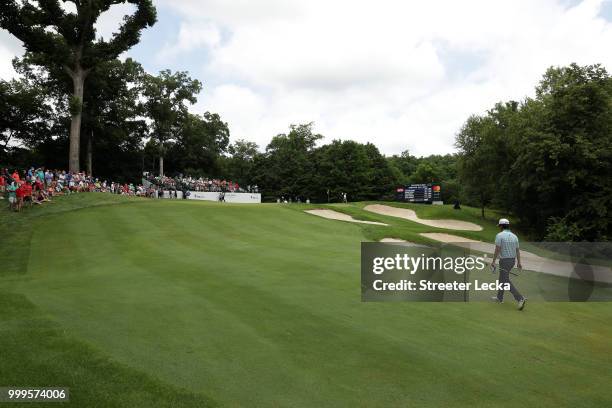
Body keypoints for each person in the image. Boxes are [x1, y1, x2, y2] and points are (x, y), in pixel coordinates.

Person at [490, 218, 526, 310]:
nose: (499, 228)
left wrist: (493, 261)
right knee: (502, 279)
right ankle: (499, 298)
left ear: (501, 226)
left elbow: (497, 249)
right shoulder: (515, 236)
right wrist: (519, 262)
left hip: (504, 261)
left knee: (505, 281)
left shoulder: (500, 235)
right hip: (512, 261)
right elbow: (517, 251)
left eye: (499, 226)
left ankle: (520, 298)